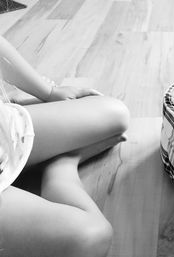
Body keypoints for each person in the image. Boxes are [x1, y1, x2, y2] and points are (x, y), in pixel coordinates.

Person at [0, 35, 130, 257]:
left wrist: (49, 92)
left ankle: (13, 106)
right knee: (92, 236)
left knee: (116, 114)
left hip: (4, 129)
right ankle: (60, 164)